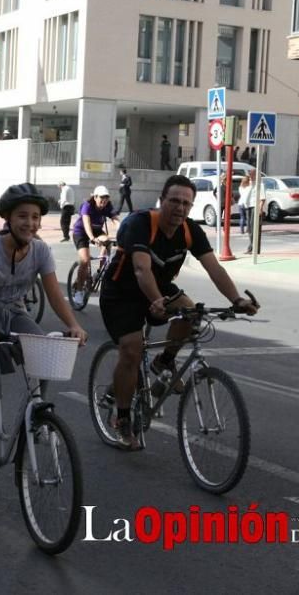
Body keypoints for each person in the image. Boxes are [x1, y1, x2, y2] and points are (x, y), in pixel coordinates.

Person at [0, 183, 87, 492]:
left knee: (48, 351)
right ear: (8, 218)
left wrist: (74, 324)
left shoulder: (40, 250)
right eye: (23, 216)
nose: (30, 223)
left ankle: (36, 415)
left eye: (35, 217)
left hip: (14, 313)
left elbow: (55, 295)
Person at [99, 175, 258, 449]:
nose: (180, 208)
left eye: (186, 203)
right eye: (174, 201)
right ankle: (123, 418)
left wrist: (236, 299)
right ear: (161, 201)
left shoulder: (189, 230)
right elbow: (140, 269)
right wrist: (157, 300)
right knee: (132, 349)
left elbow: (214, 268)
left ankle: (163, 363)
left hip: (159, 288)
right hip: (122, 294)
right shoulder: (140, 224)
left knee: (191, 312)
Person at [71, 185, 119, 305]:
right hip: (81, 232)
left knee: (108, 241)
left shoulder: (108, 205)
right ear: (95, 197)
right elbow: (86, 222)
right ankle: (79, 291)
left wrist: (124, 231)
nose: (104, 200)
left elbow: (115, 220)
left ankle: (99, 270)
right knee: (85, 260)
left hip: (97, 231)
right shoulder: (87, 205)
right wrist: (92, 238)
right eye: (102, 197)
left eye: (106, 197)